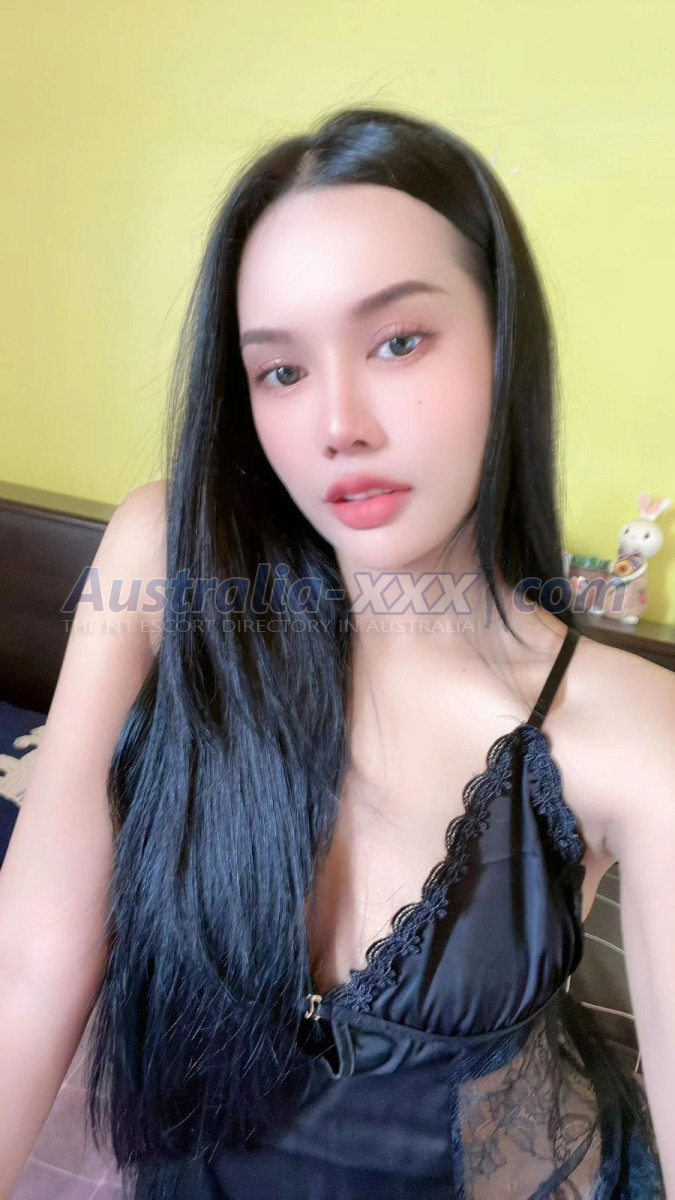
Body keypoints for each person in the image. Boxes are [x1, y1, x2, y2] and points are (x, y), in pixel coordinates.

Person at [0, 106, 672, 1200]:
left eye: (399, 342)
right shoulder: (166, 560)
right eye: (281, 372)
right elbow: (28, 963)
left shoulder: (623, 730)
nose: (337, 424)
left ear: (505, 342)